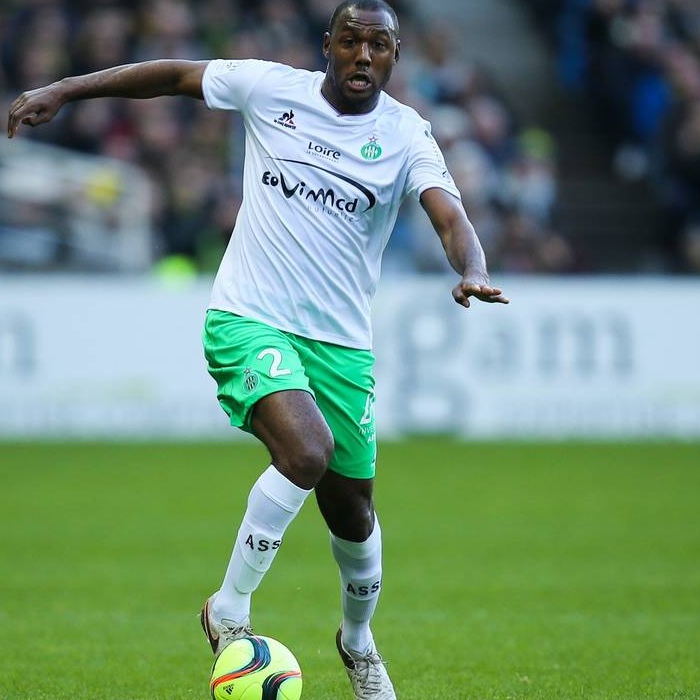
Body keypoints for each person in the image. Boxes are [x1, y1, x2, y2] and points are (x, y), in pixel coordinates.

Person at [7, 1, 508, 698]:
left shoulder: (406, 135)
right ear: (328, 44)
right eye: (351, 41)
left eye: (379, 46)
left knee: (355, 516)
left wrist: (473, 268)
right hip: (249, 318)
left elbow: (449, 215)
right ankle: (230, 608)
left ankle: (357, 640)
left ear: (396, 56)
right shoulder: (271, 88)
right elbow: (172, 74)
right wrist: (65, 89)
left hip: (340, 346)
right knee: (305, 452)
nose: (364, 56)